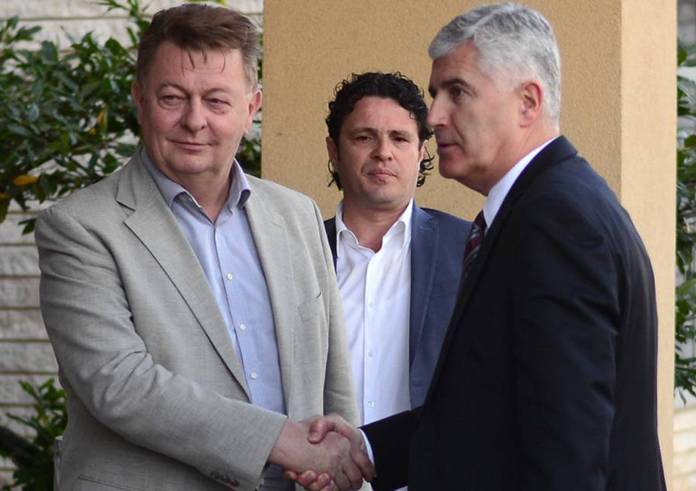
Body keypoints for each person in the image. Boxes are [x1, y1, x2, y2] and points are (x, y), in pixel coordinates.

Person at [298, 3, 667, 491]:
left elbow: (569, 452)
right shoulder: (544, 208)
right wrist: (367, 448)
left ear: (527, 103)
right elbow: (487, 411)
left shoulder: (555, 223)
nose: (435, 117)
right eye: (436, 94)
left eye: (457, 92)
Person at [35, 4, 371, 491]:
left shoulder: (296, 215)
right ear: (140, 99)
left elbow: (332, 377)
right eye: (173, 98)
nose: (195, 121)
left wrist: (344, 468)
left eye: (217, 101)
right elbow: (119, 383)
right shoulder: (79, 227)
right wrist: (280, 441)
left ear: (252, 108)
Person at [323, 72, 470, 427]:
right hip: (319, 460)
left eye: (399, 138)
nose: (383, 153)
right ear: (334, 151)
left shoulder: (468, 248)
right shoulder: (298, 250)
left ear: (421, 153)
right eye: (364, 137)